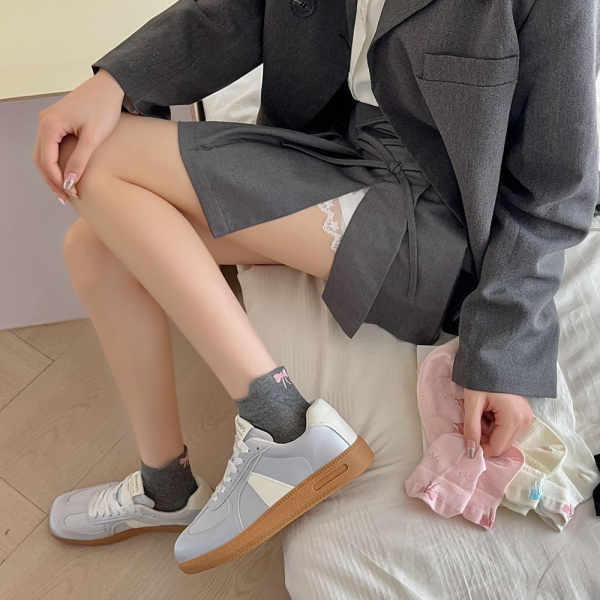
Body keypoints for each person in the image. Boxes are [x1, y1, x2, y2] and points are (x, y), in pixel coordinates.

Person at [33, 0, 598, 574]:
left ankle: (282, 425)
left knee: (92, 162)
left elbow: (554, 192)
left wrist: (501, 351)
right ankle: (167, 489)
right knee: (95, 249)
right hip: (333, 143)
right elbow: (244, 11)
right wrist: (115, 81)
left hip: (435, 213)